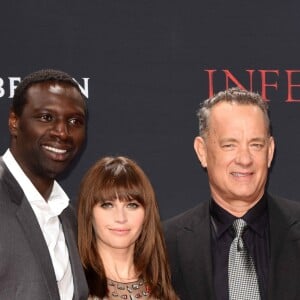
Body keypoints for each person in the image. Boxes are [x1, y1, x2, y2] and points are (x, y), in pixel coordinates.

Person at [164, 87, 300, 300]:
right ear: (202, 152)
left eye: (256, 145)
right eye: (230, 145)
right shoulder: (165, 245)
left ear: (270, 151)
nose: (244, 159)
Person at [0, 69, 89, 299]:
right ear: (14, 122)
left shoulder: (71, 217)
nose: (62, 132)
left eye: (74, 121)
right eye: (46, 118)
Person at [77, 156, 178, 300]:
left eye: (132, 205)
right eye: (107, 204)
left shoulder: (169, 283)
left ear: (146, 214)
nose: (121, 217)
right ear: (89, 213)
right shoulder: (72, 285)